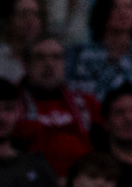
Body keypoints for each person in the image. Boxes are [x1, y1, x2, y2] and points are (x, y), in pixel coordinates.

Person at [15, 39, 96, 176]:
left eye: (56, 57)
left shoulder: (87, 103)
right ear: (25, 64)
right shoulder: (10, 105)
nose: (49, 64)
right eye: (40, 57)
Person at [68, 0, 132, 99]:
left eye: (129, 6)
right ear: (103, 11)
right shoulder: (81, 55)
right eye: (115, 6)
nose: (123, 12)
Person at [0, 0, 46, 83]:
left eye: (36, 14)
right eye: (24, 14)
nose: (31, 21)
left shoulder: (53, 58)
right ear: (8, 20)